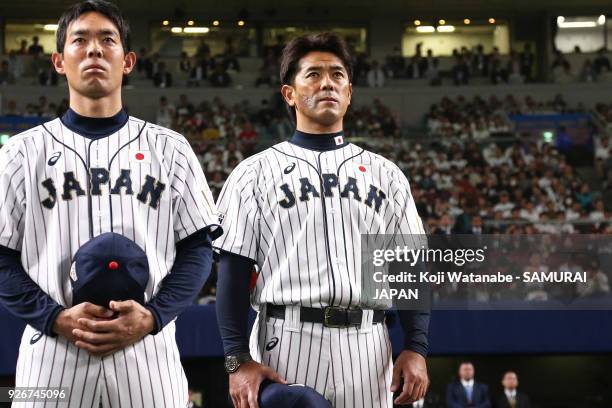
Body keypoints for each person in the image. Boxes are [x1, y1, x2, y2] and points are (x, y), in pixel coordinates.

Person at [0, 1, 220, 406]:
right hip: (50, 354)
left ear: (129, 60)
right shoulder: (19, 154)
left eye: (108, 40)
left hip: (149, 354)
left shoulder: (171, 149)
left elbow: (198, 250)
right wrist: (54, 318)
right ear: (59, 61)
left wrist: (153, 316)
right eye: (79, 40)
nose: (94, 50)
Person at [214, 32, 430, 408]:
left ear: (349, 93)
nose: (327, 82)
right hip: (285, 342)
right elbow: (231, 274)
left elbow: (409, 271)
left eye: (337, 75)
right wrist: (236, 360)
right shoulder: (253, 173)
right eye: (313, 74)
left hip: (369, 345)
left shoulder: (386, 175)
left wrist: (417, 348)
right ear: (289, 93)